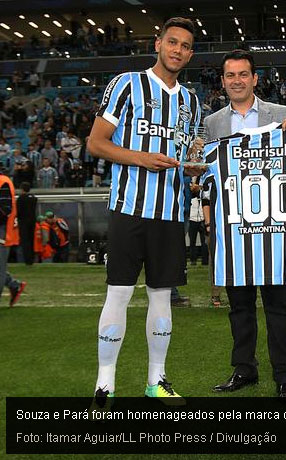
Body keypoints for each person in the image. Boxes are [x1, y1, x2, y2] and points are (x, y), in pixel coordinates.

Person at [86, 17, 201, 405]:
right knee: (118, 294)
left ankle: (157, 382)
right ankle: (105, 384)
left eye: (185, 46)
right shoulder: (126, 84)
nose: (178, 50)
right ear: (158, 43)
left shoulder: (192, 101)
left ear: (190, 54)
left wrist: (193, 169)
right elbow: (96, 143)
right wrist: (140, 159)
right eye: (172, 42)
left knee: (162, 299)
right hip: (129, 209)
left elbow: (184, 157)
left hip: (171, 213)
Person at [203, 49, 286, 399]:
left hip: (276, 230)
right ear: (223, 81)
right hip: (235, 230)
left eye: (244, 74)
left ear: (255, 79)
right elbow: (210, 174)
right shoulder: (213, 123)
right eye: (230, 75)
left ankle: (285, 376)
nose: (237, 80)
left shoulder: (285, 114)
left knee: (278, 307)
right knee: (239, 307)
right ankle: (244, 370)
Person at [0, 167, 27, 306]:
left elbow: (5, 210)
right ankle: (13, 285)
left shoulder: (3, 182)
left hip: (2, 232)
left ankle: (13, 285)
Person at [16, 182, 37, 265]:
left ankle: (27, 260)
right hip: (32, 221)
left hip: (23, 221)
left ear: (22, 189)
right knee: (31, 239)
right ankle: (32, 258)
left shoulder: (21, 199)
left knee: (25, 241)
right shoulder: (33, 198)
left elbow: (19, 211)